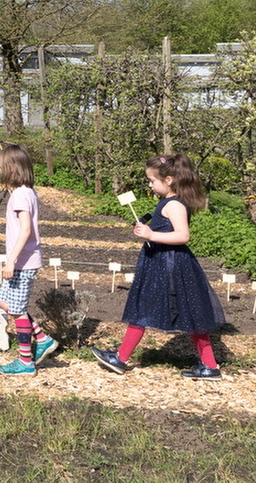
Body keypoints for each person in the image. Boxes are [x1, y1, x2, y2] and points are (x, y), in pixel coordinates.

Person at [91, 154, 226, 380]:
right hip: (162, 263)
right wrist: (147, 231)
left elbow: (183, 236)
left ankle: (120, 359)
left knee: (148, 308)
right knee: (185, 313)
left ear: (169, 180)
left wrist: (152, 233)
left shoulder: (174, 204)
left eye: (153, 181)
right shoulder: (169, 202)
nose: (150, 185)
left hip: (169, 267)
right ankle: (209, 366)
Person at [0, 144, 58, 376]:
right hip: (23, 261)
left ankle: (25, 362)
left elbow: (25, 231)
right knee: (5, 302)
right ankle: (42, 338)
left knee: (18, 310)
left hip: (23, 262)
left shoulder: (21, 195)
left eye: (1, 167)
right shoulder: (27, 192)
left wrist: (11, 261)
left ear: (11, 168)